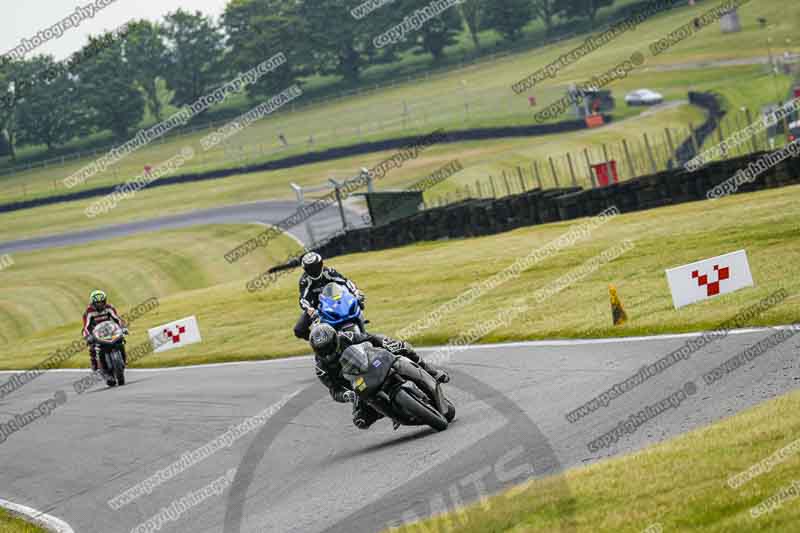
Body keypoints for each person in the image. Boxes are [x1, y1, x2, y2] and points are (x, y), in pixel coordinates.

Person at [309, 324, 449, 430]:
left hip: (373, 364)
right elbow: (334, 390)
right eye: (322, 350)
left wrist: (387, 344)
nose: (327, 353)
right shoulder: (321, 369)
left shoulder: (346, 337)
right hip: (360, 386)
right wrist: (348, 395)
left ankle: (430, 371)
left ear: (335, 339)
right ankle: (392, 412)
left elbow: (370, 338)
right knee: (361, 421)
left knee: (403, 348)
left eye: (329, 347)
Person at [294, 252, 364, 340]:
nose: (314, 270)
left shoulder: (328, 272)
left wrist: (356, 293)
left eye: (316, 266)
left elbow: (345, 281)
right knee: (299, 330)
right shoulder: (305, 281)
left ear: (321, 264)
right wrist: (310, 309)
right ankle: (318, 341)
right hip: (316, 307)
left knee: (358, 304)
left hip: (335, 300)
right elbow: (303, 299)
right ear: (305, 270)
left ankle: (363, 331)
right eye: (310, 268)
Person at [82, 290, 128, 380]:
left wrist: (123, 328)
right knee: (93, 347)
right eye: (97, 303)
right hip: (95, 332)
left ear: (105, 301)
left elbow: (117, 319)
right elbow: (86, 327)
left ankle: (123, 360)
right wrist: (88, 336)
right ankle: (95, 366)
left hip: (110, 329)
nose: (100, 305)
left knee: (121, 340)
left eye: (101, 302)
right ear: (93, 303)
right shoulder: (88, 311)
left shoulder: (109, 307)